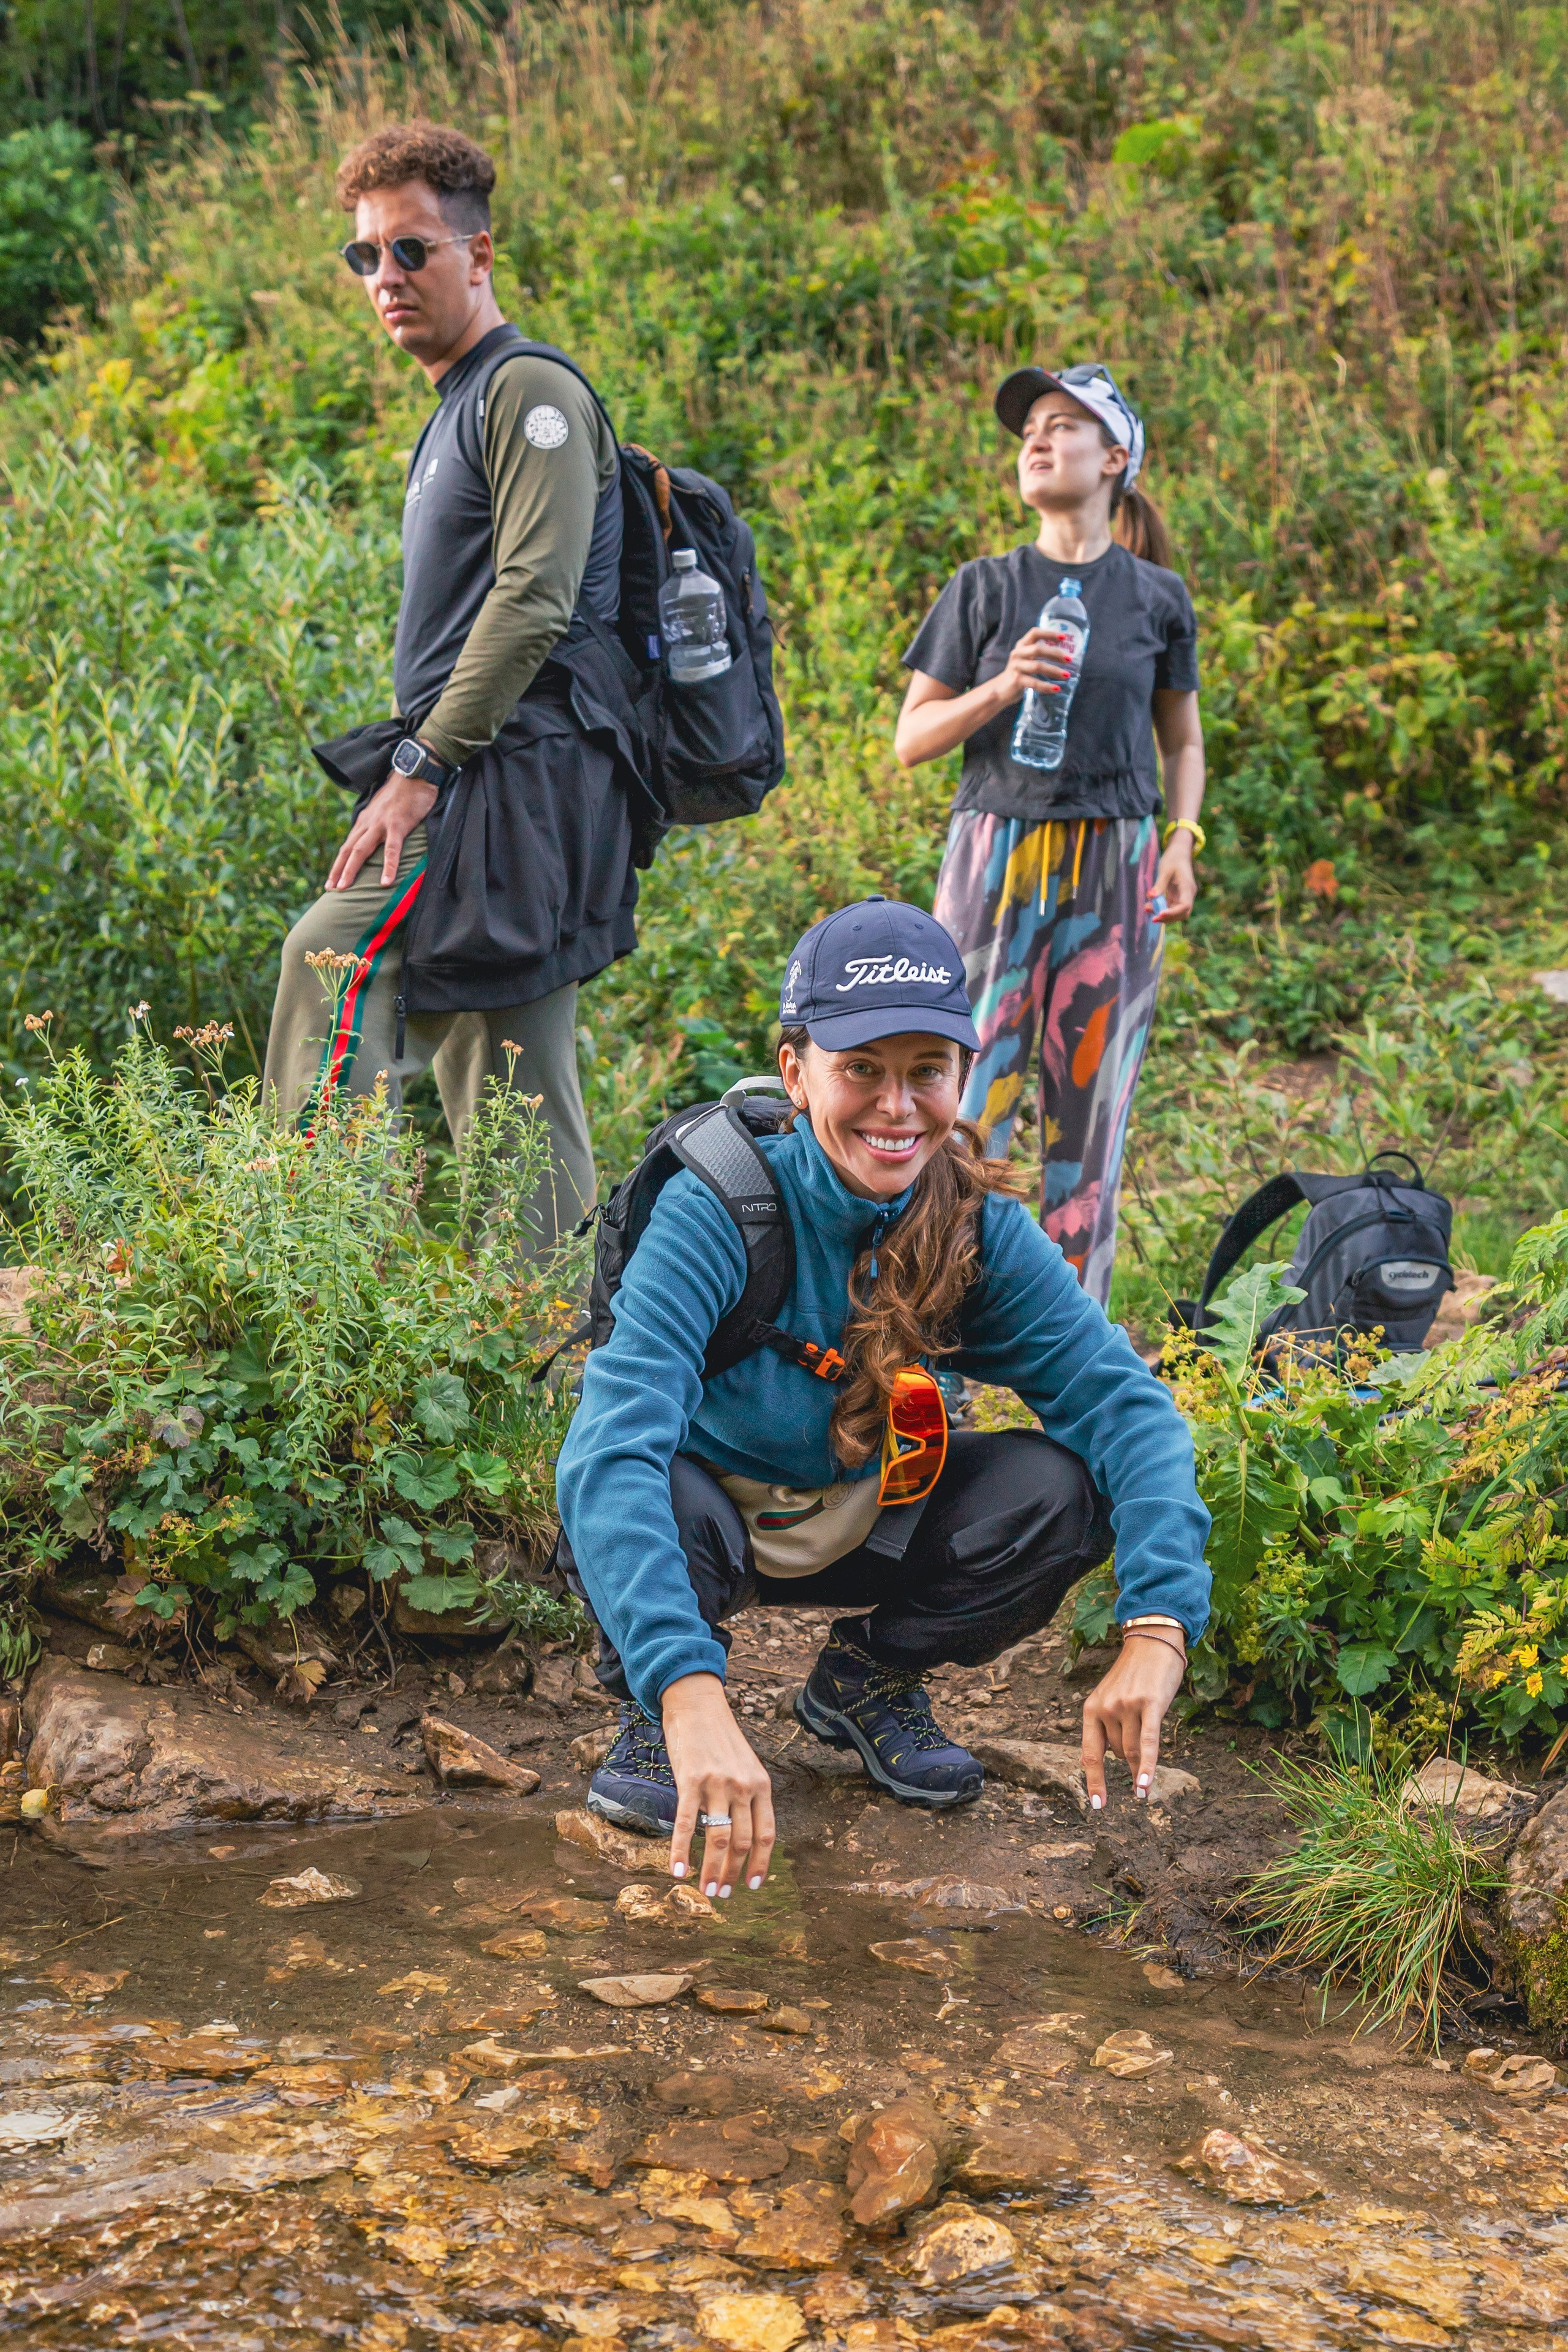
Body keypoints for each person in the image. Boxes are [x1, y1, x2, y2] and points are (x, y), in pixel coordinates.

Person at [554, 897, 1211, 1902]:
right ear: (796, 1073)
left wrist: (1158, 1625)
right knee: (656, 1492)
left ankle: (867, 1678)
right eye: (861, 1069)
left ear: (961, 1076)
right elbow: (611, 1452)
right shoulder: (717, 1206)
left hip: (870, 1510)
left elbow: (1125, 1406)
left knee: (1064, 1489)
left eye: (925, 1073)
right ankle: (660, 1707)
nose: (896, 1108)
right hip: (709, 1517)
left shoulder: (977, 1227)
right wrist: (690, 1696)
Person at [263, 123, 650, 1246]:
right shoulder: (457, 404)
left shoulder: (526, 392)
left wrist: (419, 766)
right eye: (365, 257)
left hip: (510, 781)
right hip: (510, 777)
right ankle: (544, 1361)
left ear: (479, 255)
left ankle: (314, 1264)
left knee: (330, 957)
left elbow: (534, 597)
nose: (386, 277)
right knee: (515, 1065)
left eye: (412, 250)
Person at [895, 363, 1207, 1306]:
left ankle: (1073, 1356)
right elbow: (912, 740)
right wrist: (1000, 688)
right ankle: (928, 1341)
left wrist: (1183, 840)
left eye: (1064, 425)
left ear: (1115, 459)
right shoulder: (985, 588)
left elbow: (1182, 738)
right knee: (960, 1110)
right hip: (995, 859)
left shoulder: (1157, 597)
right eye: (1030, 426)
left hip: (1118, 863)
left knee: (1090, 1120)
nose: (1037, 438)